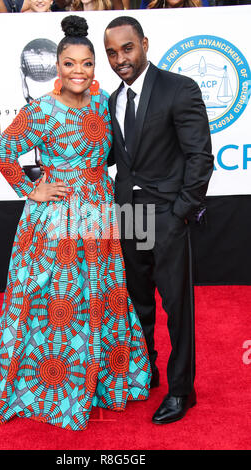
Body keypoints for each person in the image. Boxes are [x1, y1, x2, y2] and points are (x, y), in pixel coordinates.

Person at [0, 15, 151, 431]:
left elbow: (114, 152)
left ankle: (103, 381)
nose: (79, 71)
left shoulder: (103, 102)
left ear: (96, 67)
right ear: (57, 67)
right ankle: (52, 385)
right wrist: (32, 188)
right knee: (58, 302)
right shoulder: (40, 110)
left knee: (101, 294)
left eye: (88, 63)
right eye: (70, 63)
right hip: (56, 218)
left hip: (98, 213)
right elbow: (1, 150)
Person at [104, 16, 214, 424]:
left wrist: (180, 212)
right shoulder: (112, 98)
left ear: (144, 43)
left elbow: (200, 156)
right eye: (112, 53)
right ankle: (145, 371)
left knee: (176, 308)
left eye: (127, 48)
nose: (120, 59)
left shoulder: (178, 88)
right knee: (138, 303)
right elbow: (118, 159)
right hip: (129, 215)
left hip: (166, 215)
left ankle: (183, 391)